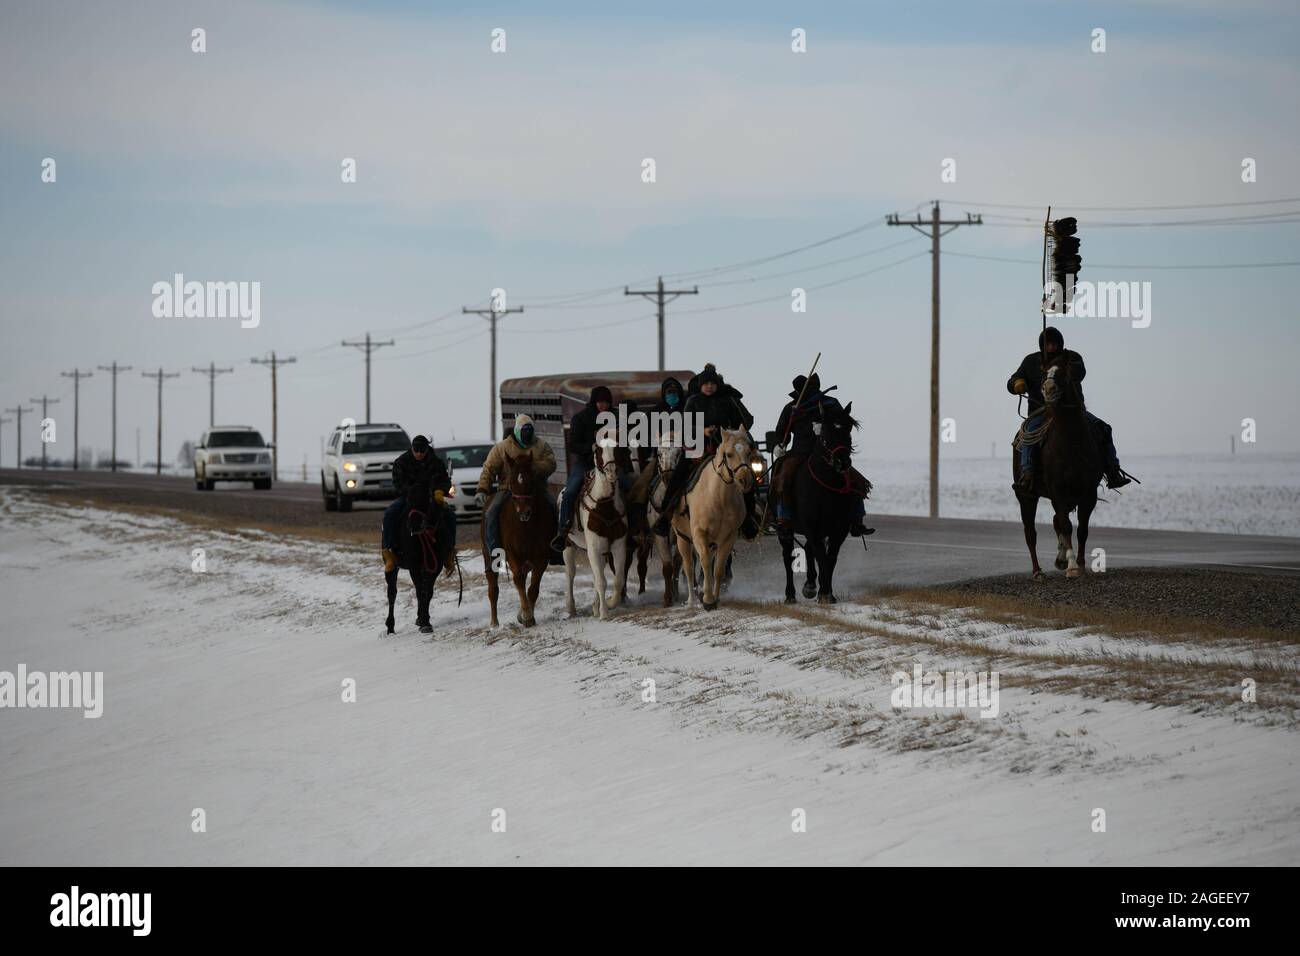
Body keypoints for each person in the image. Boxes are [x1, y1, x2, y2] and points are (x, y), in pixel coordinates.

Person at [1008, 326, 1131, 490]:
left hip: (1072, 411)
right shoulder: (1031, 361)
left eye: (1054, 344)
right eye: (1048, 344)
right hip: (1041, 412)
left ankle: (1112, 470)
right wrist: (1017, 383)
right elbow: (1013, 379)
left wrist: (1058, 371)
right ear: (1042, 346)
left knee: (1103, 429)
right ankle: (1027, 473)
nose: (1051, 347)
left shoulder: (1072, 358)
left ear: (1060, 343)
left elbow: (1080, 372)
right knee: (1027, 436)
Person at [653, 364, 760, 538]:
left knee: (746, 477)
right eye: (706, 384)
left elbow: (746, 421)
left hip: (727, 448)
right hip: (698, 447)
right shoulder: (693, 400)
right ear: (700, 385)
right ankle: (665, 517)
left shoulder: (728, 400)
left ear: (717, 384)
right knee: (678, 475)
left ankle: (748, 518)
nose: (709, 386)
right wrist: (702, 431)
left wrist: (730, 429)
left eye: (712, 383)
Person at [771, 373, 873, 537]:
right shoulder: (791, 408)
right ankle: (784, 518)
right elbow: (781, 430)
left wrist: (824, 429)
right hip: (799, 452)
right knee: (783, 478)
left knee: (855, 480)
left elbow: (843, 422)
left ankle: (857, 519)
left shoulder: (830, 403)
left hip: (828, 452)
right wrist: (779, 444)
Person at [477, 414, 558, 555]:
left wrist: (533, 467)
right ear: (517, 431)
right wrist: (482, 489)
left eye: (529, 432)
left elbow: (551, 463)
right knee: (490, 513)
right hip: (507, 489)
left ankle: (555, 550)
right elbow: (489, 468)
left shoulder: (541, 446)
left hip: (536, 489)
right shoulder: (502, 448)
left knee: (554, 507)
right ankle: (495, 554)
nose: (527, 436)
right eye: (524, 432)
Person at [550, 386, 613, 555]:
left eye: (607, 402)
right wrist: (590, 447)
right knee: (570, 492)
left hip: (609, 465)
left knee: (630, 485)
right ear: (594, 402)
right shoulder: (581, 418)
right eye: (601, 402)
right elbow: (573, 445)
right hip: (585, 464)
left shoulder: (614, 418)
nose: (604, 406)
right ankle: (562, 531)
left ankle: (636, 530)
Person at [382, 435, 453, 572]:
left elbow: (444, 480)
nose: (419, 454)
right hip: (409, 497)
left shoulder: (436, 462)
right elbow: (397, 481)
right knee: (390, 514)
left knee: (450, 515)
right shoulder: (402, 461)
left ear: (427, 449)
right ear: (412, 449)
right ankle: (389, 552)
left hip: (431, 498)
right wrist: (410, 491)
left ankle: (449, 553)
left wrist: (440, 491)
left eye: (422, 451)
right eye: (416, 451)